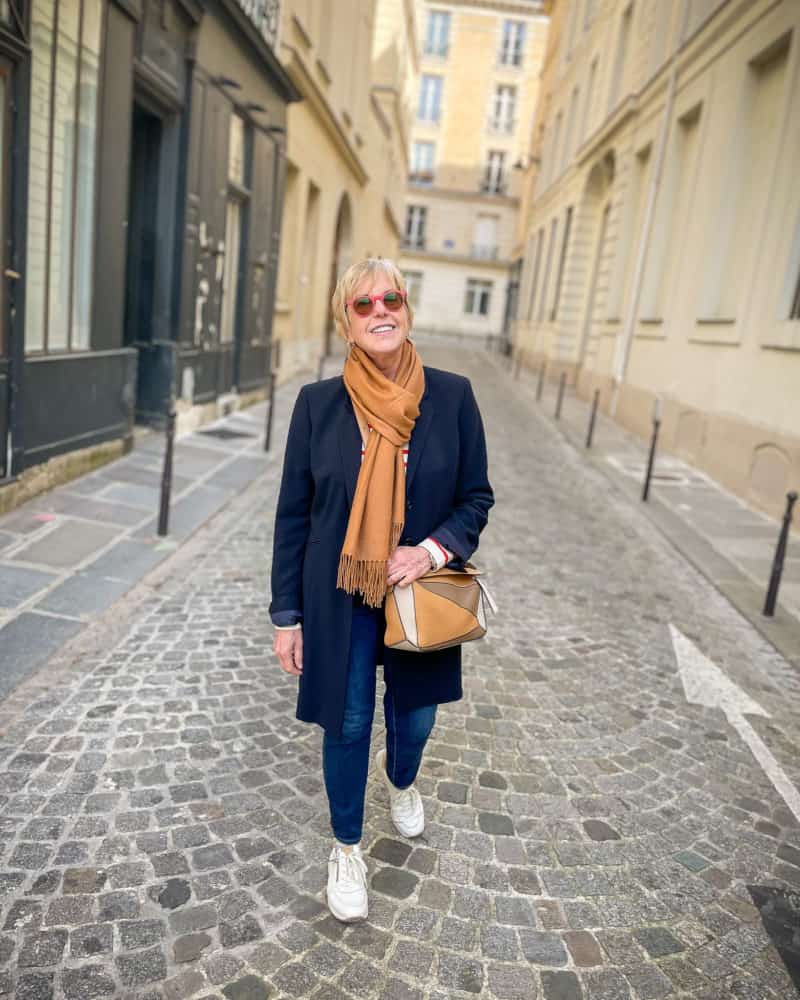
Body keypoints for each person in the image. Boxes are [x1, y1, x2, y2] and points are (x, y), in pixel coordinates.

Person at [269, 257, 493, 922]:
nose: (379, 312)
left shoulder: (451, 397)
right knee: (347, 721)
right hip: (337, 594)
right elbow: (292, 513)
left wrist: (428, 550)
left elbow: (475, 497)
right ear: (347, 320)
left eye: (389, 298)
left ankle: (401, 780)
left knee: (415, 719)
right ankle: (346, 847)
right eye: (363, 304)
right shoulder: (318, 406)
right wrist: (287, 614)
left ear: (407, 309)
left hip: (417, 594)